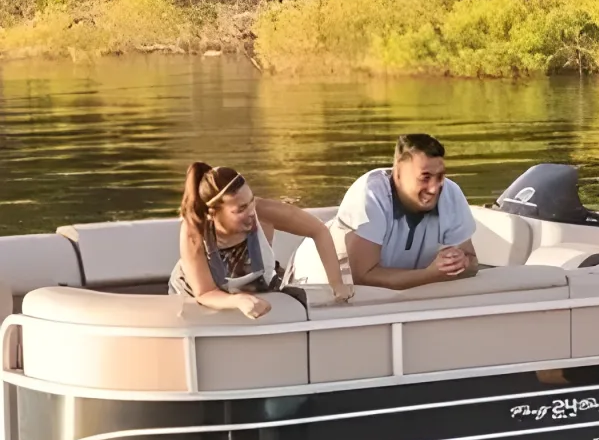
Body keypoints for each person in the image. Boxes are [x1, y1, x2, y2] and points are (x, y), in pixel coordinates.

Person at [291, 133, 478, 290]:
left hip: (394, 291)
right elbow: (363, 277)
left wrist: (458, 262)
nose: (434, 188)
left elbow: (472, 263)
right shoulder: (370, 194)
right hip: (316, 282)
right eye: (425, 177)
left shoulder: (450, 192)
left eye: (440, 176)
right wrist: (430, 274)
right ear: (397, 173)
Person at [170, 162, 351, 318]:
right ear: (212, 213)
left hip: (252, 296)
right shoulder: (193, 230)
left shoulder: (262, 212)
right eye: (240, 209)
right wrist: (237, 301)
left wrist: (336, 283)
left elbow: (318, 230)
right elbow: (205, 293)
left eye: (251, 202)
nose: (250, 212)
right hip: (196, 300)